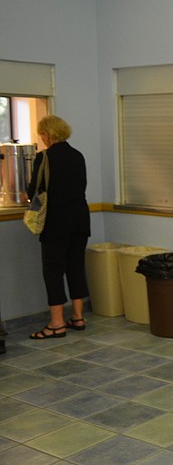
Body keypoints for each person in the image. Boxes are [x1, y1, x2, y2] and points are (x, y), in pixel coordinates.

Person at [26, 115, 91, 339]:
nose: (42, 139)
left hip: (55, 222)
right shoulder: (78, 155)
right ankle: (78, 317)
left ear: (47, 134)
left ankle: (56, 323)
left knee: (53, 270)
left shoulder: (44, 157)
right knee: (75, 267)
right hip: (81, 220)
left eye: (41, 134)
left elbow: (34, 190)